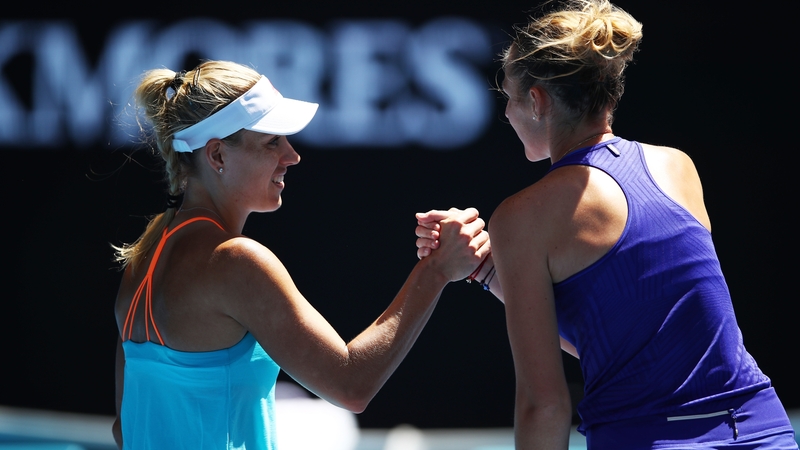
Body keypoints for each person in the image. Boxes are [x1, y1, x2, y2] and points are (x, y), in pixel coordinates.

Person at [415, 0, 797, 448]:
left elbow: (545, 405)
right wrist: (489, 273)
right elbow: (623, 344)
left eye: (510, 99)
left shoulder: (522, 217)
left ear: (536, 102)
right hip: (762, 431)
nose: (506, 114)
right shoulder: (678, 168)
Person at [112, 60, 490, 449]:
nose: (292, 156)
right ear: (217, 155)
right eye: (272, 141)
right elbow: (350, 385)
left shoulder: (144, 256)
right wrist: (437, 271)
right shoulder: (235, 261)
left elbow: (125, 430)